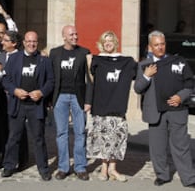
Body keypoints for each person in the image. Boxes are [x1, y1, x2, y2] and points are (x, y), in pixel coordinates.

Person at [134, 30, 195, 188]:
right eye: (156, 45)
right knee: (157, 148)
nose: (160, 47)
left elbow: (189, 84)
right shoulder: (144, 65)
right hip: (156, 112)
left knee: (181, 146)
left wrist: (181, 97)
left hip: (177, 110)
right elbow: (138, 89)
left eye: (162, 44)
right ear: (150, 47)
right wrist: (147, 76)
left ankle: (189, 178)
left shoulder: (179, 61)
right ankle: (162, 175)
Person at [0, 31, 54, 181]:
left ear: (38, 43)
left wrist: (42, 92)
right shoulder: (14, 59)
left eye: (34, 42)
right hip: (18, 104)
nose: (31, 44)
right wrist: (15, 90)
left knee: (39, 138)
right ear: (23, 42)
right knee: (13, 137)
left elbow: (51, 81)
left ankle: (43, 168)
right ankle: (9, 166)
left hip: (36, 105)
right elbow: (5, 80)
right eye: (29, 41)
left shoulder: (44, 60)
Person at [84, 31, 137, 182]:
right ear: (101, 43)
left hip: (117, 106)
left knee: (116, 138)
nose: (108, 43)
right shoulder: (97, 60)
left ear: (115, 42)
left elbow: (137, 73)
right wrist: (89, 64)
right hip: (101, 105)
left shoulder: (126, 61)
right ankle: (104, 168)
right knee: (102, 138)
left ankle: (113, 169)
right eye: (105, 41)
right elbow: (92, 80)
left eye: (110, 40)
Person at [49, 25, 90, 181]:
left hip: (78, 97)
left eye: (76, 33)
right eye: (71, 34)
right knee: (61, 133)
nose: (75, 36)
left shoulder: (84, 53)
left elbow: (90, 79)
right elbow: (50, 77)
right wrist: (49, 99)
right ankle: (63, 167)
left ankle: (80, 167)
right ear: (64, 36)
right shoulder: (54, 53)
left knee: (80, 133)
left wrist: (88, 100)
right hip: (59, 97)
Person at [0, 30, 29, 169]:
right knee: (1, 128)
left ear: (14, 43)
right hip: (1, 97)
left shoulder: (21, 57)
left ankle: (21, 158)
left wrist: (2, 69)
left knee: (18, 130)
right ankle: (0, 156)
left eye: (5, 40)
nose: (2, 42)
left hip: (16, 96)